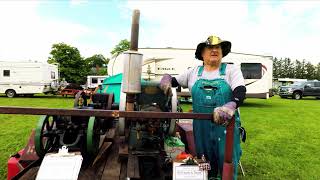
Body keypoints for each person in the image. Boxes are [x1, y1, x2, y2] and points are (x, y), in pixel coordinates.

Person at [160, 35, 246, 179]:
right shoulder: (193, 72)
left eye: (217, 47)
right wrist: (167, 78)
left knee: (227, 161)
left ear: (222, 52)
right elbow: (174, 81)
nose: (214, 50)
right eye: (210, 48)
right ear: (202, 53)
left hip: (226, 126)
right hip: (201, 127)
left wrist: (231, 105)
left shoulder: (231, 70)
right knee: (204, 161)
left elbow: (240, 91)